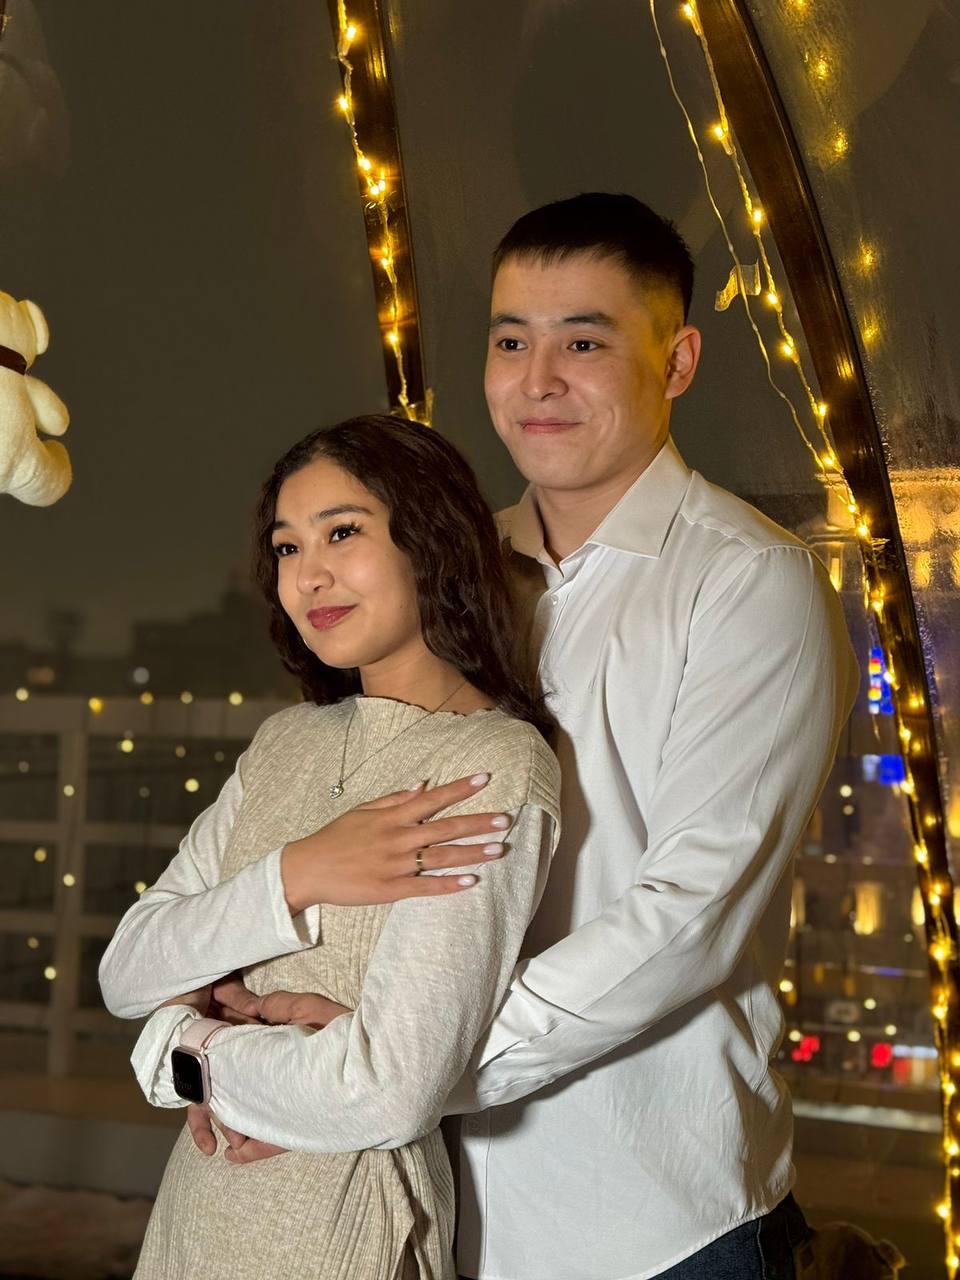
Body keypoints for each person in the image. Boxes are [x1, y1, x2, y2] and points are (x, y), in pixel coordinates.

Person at [175, 193, 859, 1279]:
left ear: (677, 361)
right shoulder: (439, 569)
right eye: (509, 342)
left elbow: (691, 914)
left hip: (653, 1216)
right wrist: (267, 1050)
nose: (537, 380)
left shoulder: (747, 581)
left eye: (583, 342)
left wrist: (383, 1070)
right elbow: (331, 796)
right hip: (427, 1208)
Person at [98, 415, 561, 1280]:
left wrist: (182, 1053)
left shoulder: (491, 763)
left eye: (342, 533)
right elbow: (127, 972)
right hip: (197, 1211)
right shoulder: (286, 742)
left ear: (430, 540)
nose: (308, 575)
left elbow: (384, 1092)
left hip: (348, 1226)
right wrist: (298, 874)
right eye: (287, 548)